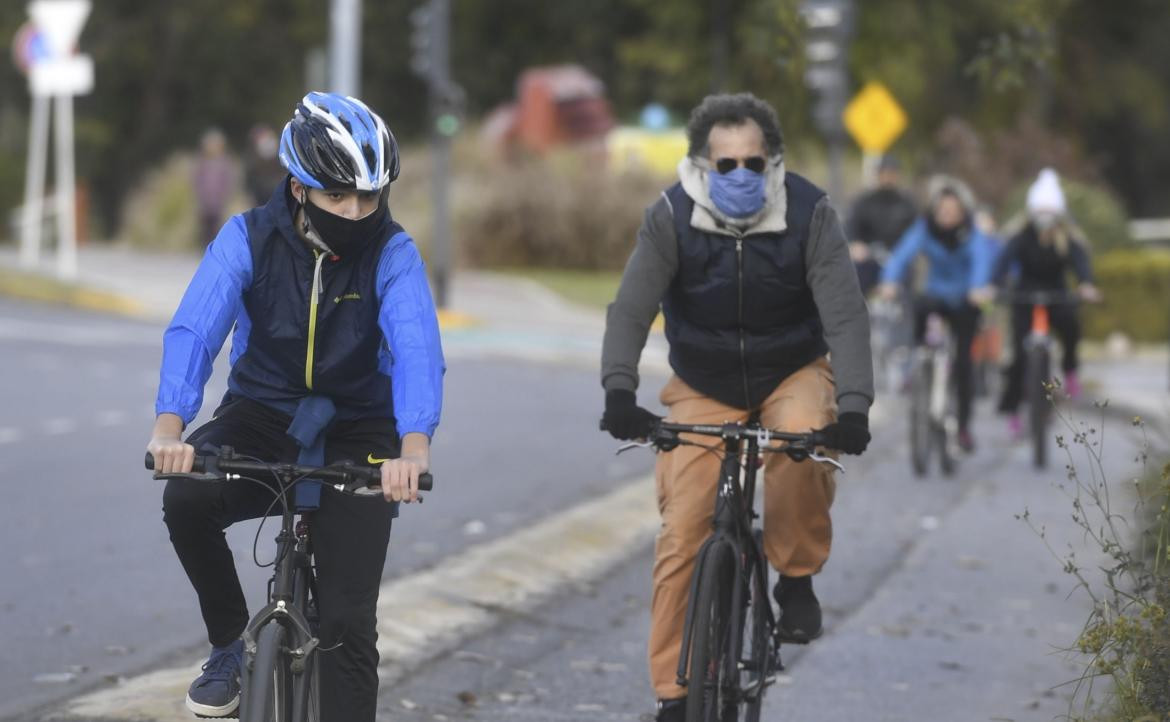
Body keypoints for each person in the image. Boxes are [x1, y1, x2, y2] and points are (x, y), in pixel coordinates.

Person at [147, 92, 444, 720]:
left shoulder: (393, 253)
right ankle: (229, 646)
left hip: (361, 427)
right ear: (300, 186)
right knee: (186, 499)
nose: (356, 212)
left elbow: (416, 348)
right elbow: (196, 330)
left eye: (369, 197)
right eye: (338, 196)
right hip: (261, 411)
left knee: (346, 627)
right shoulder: (248, 237)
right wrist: (169, 427)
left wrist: (411, 451)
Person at [599, 93, 873, 722]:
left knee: (803, 438)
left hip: (791, 370)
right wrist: (619, 392)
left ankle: (796, 576)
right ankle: (673, 693)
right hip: (705, 379)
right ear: (701, 164)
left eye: (754, 162)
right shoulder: (669, 216)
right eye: (726, 165)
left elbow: (846, 314)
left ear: (772, 160)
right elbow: (632, 308)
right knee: (682, 534)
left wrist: (853, 408)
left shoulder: (810, 213)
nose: (741, 176)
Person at [878, 175, 997, 452]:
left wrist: (979, 288)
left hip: (966, 298)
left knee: (965, 363)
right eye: (942, 211)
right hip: (935, 295)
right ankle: (921, 364)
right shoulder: (924, 228)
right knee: (920, 310)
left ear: (963, 212)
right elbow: (902, 254)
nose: (946, 216)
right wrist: (889, 281)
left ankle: (964, 428)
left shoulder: (972, 233)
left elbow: (982, 260)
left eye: (952, 212)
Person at [991, 168, 1100, 435]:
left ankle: (1070, 370)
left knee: (1071, 326)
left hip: (1056, 295)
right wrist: (993, 286)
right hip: (1024, 298)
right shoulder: (1021, 235)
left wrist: (1086, 285)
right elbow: (1002, 263)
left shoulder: (1067, 237)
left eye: (1050, 213)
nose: (1045, 218)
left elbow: (1080, 262)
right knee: (1017, 357)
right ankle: (1014, 412)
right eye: (1040, 212)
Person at [845, 154, 919, 295]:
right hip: (869, 259)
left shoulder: (907, 204)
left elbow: (916, 234)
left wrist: (902, 256)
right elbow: (851, 228)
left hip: (900, 259)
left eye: (892, 173)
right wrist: (855, 245)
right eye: (885, 173)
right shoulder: (864, 202)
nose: (888, 178)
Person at [193, 128, 238, 245]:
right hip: (205, 201)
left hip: (218, 202)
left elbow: (228, 181)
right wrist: (199, 195)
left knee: (216, 227)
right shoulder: (202, 162)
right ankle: (202, 248)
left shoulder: (225, 162)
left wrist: (225, 196)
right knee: (204, 227)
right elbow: (197, 180)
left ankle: (213, 247)